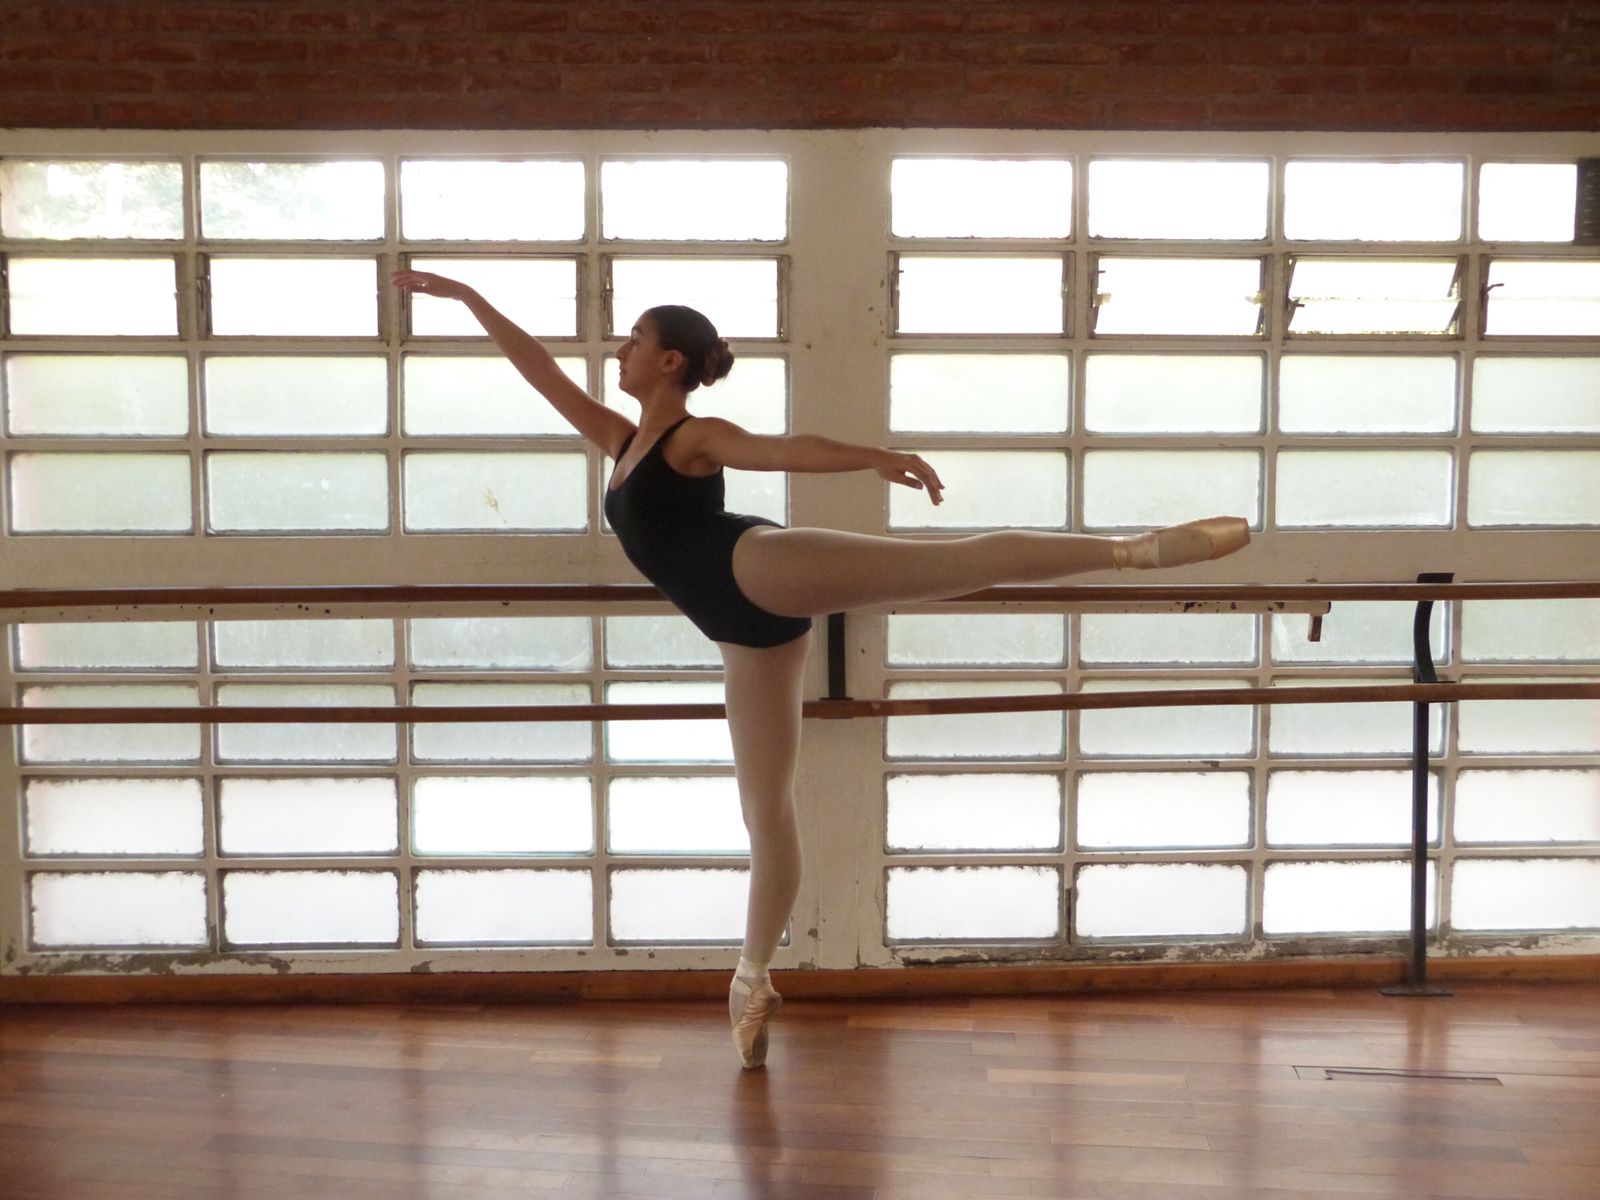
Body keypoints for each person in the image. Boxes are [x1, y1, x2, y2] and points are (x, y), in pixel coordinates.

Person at [390, 270, 1251, 1069]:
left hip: (759, 569)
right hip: (740, 634)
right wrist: (466, 297)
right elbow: (539, 371)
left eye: (634, 339)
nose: (619, 350)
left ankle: (1132, 550)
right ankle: (751, 978)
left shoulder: (693, 436)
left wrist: (870, 456)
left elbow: (779, 449)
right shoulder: (621, 440)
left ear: (671, 361)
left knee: (946, 565)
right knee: (766, 811)